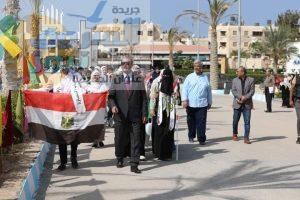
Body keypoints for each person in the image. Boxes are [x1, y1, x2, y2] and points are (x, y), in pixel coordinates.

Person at [108, 57, 148, 174]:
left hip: (135, 115)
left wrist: (144, 113)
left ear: (131, 64)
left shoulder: (138, 79)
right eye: (123, 63)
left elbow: (144, 99)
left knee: (136, 139)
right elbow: (111, 96)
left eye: (128, 63)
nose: (126, 65)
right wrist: (113, 106)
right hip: (120, 115)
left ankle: (134, 163)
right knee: (119, 138)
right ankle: (119, 158)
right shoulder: (116, 78)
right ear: (121, 65)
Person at [182, 60, 212, 145]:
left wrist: (209, 102)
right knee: (191, 122)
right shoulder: (189, 77)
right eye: (196, 66)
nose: (197, 67)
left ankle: (201, 139)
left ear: (202, 67)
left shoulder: (205, 77)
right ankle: (191, 136)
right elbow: (184, 89)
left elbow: (209, 91)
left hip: (202, 104)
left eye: (199, 66)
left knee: (202, 122)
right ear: (194, 67)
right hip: (190, 104)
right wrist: (184, 100)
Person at [149, 67, 176, 160]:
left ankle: (167, 153)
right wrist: (151, 109)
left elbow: (174, 96)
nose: (166, 77)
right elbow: (152, 96)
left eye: (168, 76)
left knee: (168, 131)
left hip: (169, 111)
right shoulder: (156, 82)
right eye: (165, 75)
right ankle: (158, 152)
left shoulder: (172, 83)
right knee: (158, 132)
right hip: (158, 111)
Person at [231, 67, 255, 144]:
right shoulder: (234, 80)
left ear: (243, 72)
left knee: (247, 122)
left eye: (237, 71)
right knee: (235, 121)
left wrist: (245, 97)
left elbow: (252, 91)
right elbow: (233, 90)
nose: (236, 72)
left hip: (247, 104)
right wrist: (240, 97)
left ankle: (246, 138)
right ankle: (235, 134)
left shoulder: (251, 80)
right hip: (237, 103)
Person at [87, 70, 109, 148]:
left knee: (102, 125)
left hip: (102, 109)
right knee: (93, 125)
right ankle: (94, 140)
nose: (96, 77)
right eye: (94, 75)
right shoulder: (88, 86)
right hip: (92, 109)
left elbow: (107, 95)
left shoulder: (104, 85)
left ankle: (100, 140)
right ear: (92, 76)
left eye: (97, 75)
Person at [290, 74, 300, 144]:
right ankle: (299, 136)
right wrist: (290, 99)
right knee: (299, 118)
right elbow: (292, 89)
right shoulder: (297, 77)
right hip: (298, 100)